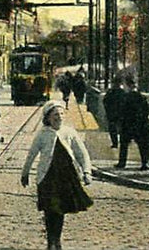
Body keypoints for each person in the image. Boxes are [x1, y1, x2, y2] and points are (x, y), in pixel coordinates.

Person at [21, 101, 93, 250]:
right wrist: (25, 173)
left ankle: (56, 240)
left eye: (61, 114)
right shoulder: (42, 134)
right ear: (48, 118)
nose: (59, 117)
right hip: (47, 177)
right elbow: (32, 154)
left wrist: (86, 172)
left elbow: (82, 153)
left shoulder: (69, 132)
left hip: (66, 177)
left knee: (60, 209)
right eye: (55, 115)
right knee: (50, 209)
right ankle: (51, 241)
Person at [117, 77, 149, 170]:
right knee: (142, 145)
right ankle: (145, 163)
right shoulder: (142, 97)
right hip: (140, 124)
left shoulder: (125, 97)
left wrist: (120, 123)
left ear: (128, 85)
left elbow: (121, 111)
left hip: (127, 124)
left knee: (124, 144)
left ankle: (122, 163)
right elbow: (148, 111)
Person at [101, 80, 125, 149]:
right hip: (120, 113)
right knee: (122, 128)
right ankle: (122, 142)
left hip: (111, 113)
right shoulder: (122, 92)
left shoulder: (110, 92)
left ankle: (115, 143)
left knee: (112, 129)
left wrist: (108, 110)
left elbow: (105, 101)